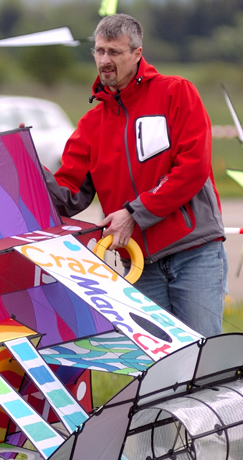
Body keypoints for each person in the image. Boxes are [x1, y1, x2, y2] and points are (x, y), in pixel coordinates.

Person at [46, 13, 228, 338]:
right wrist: (28, 167)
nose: (104, 60)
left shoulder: (177, 93)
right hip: (138, 264)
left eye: (114, 52)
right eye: (99, 51)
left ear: (137, 54)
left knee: (205, 359)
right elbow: (68, 195)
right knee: (158, 367)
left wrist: (135, 214)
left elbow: (193, 169)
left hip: (194, 252)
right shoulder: (90, 125)